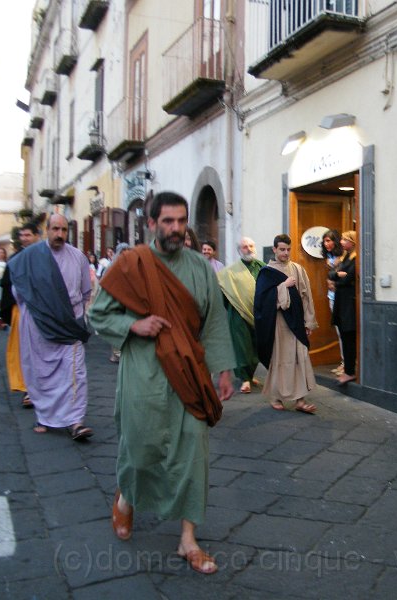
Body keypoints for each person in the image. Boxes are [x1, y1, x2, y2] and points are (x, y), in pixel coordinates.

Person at [88, 191, 235, 575]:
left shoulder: (200, 267)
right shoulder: (129, 264)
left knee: (193, 454)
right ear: (151, 224)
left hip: (189, 374)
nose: (175, 228)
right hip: (144, 372)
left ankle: (188, 539)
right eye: (167, 221)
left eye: (181, 221)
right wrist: (134, 325)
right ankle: (126, 498)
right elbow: (98, 314)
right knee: (141, 447)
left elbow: (214, 321)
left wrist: (223, 369)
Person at [10, 214, 94, 440]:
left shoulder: (78, 257)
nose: (60, 234)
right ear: (46, 230)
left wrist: (72, 314)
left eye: (64, 230)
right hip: (40, 326)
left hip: (69, 324)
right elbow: (19, 291)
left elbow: (85, 292)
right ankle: (45, 416)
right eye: (55, 229)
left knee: (75, 372)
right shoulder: (30, 257)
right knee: (42, 374)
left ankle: (76, 421)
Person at [254, 234, 318, 413]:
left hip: (296, 323)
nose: (286, 253)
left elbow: (306, 296)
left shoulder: (297, 269)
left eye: (288, 249)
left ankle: (300, 401)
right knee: (280, 359)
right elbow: (261, 302)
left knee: (300, 358)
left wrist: (308, 322)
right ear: (274, 249)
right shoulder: (266, 273)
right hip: (278, 324)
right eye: (282, 249)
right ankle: (275, 397)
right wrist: (284, 286)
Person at [0, 222, 41, 408]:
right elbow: (6, 286)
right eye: (22, 235)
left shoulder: (46, 256)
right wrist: (5, 312)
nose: (24, 238)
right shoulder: (15, 259)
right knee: (23, 350)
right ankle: (27, 389)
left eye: (28, 235)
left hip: (42, 311)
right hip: (20, 309)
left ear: (36, 236)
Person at [217, 237, 266, 393]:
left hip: (259, 314)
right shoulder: (230, 272)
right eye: (245, 247)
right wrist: (236, 306)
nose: (248, 249)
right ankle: (244, 379)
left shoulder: (263, 267)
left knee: (256, 346)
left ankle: (250, 375)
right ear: (239, 250)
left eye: (251, 246)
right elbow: (223, 294)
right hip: (238, 314)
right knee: (242, 346)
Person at [328, 231, 357, 384]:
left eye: (345, 239)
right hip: (342, 302)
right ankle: (348, 369)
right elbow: (332, 274)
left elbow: (349, 277)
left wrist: (337, 277)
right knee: (344, 336)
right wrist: (338, 275)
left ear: (353, 242)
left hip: (348, 304)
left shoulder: (355, 259)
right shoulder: (345, 257)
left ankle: (350, 371)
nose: (341, 242)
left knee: (348, 337)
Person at [321, 229, 344, 375]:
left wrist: (333, 279)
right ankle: (343, 361)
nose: (326, 244)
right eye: (324, 241)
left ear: (335, 241)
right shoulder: (329, 257)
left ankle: (346, 363)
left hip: (341, 297)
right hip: (332, 296)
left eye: (328, 241)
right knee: (338, 331)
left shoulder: (342, 256)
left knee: (343, 331)